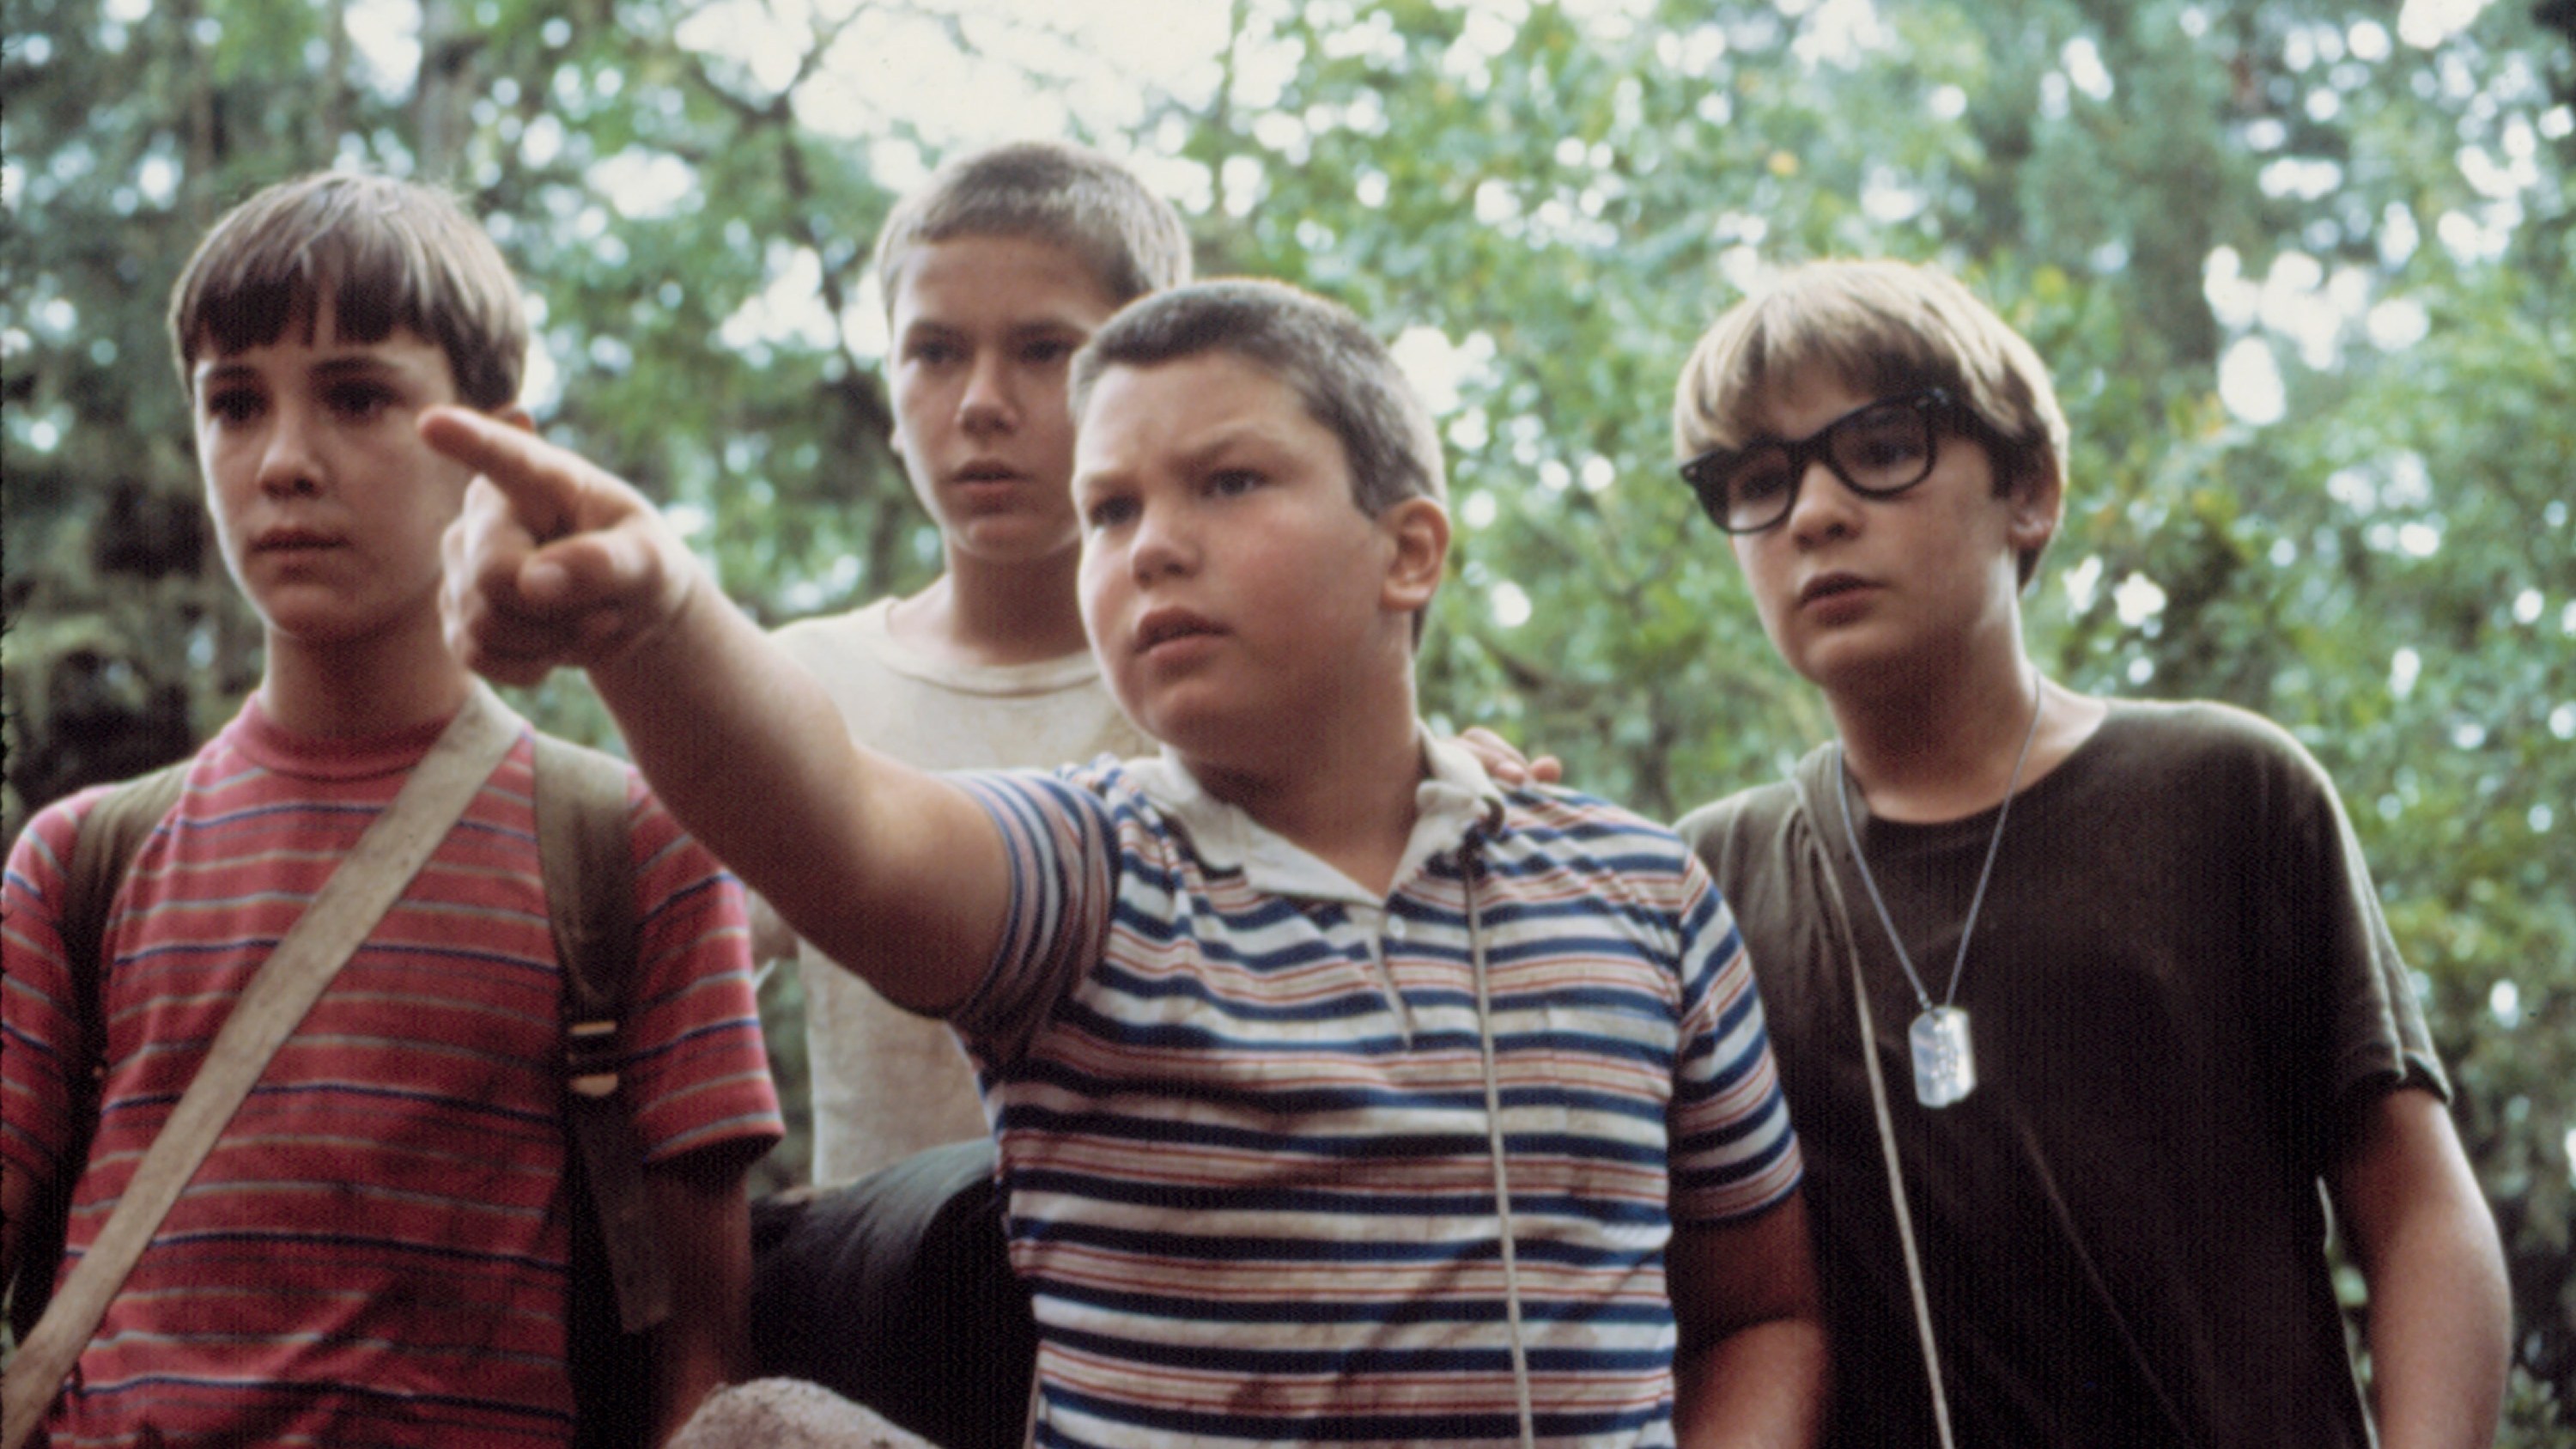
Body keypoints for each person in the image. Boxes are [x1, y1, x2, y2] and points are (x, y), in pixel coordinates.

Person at [434, 276, 1828, 1445]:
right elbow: (840, 824)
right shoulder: (1085, 872)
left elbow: (1762, 1310)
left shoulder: (1643, 893)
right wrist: (652, 613)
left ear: (1409, 551)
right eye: (1108, 510)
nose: (1153, 545)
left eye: (1226, 481)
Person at [1665, 258, 2511, 1447]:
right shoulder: (1698, 885)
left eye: (1883, 445)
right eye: (1757, 478)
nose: (1814, 511)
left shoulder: (2226, 793)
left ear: (2030, 492)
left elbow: (2418, 1206)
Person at [0, 173, 783, 1448]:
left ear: (496, 446)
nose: (286, 461)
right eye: (235, 403)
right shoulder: (82, 860)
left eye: (357, 396)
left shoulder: (633, 849)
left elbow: (705, 1356)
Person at [763, 138, 1184, 1189]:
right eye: (936, 352)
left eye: (1045, 351)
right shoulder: (801, 684)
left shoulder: (1218, 684)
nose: (982, 402)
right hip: (870, 1324)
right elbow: (661, 976)